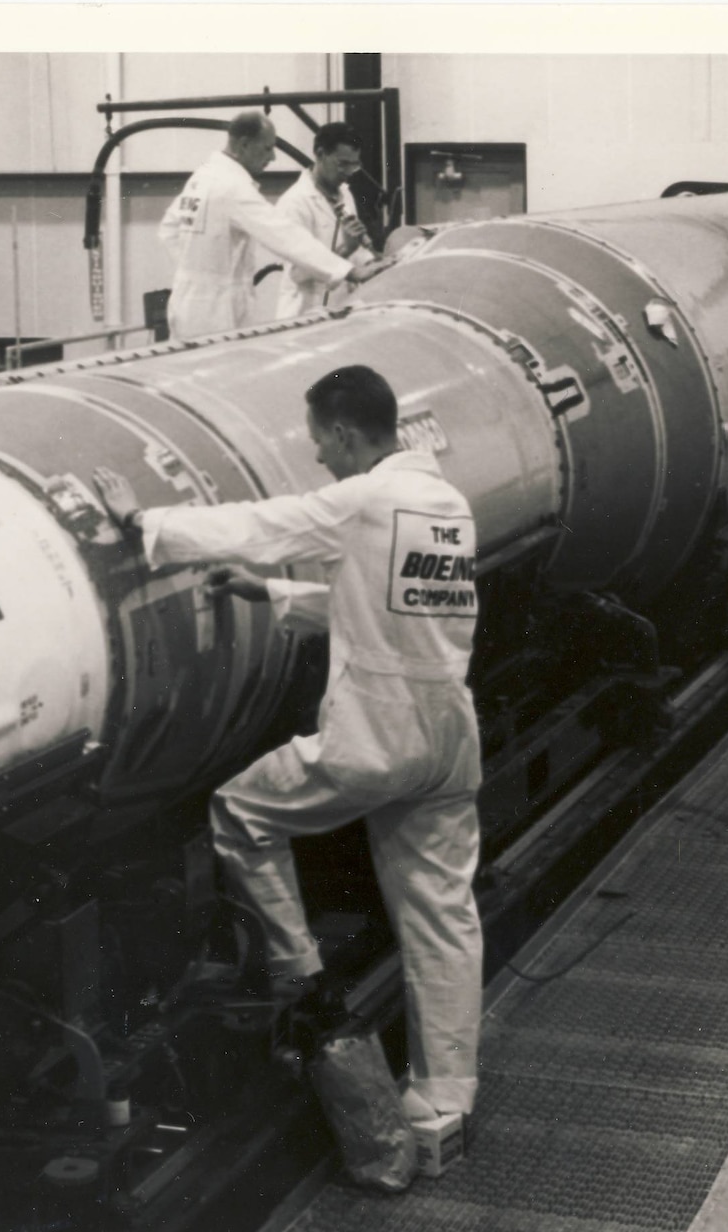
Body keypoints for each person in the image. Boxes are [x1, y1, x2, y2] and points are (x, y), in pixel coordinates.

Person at [92, 364, 482, 1127]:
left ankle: (299, 970)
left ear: (342, 432)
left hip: (375, 736)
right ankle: (445, 1101)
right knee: (442, 919)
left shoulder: (366, 497)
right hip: (449, 741)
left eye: (318, 442)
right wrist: (267, 596)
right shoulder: (445, 505)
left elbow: (268, 524)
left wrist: (147, 526)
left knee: (240, 814)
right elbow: (382, 609)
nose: (317, 458)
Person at [158, 111, 389, 340]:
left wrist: (197, 270)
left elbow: (169, 229)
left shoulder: (203, 177)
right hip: (215, 311)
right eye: (267, 148)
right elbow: (284, 234)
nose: (273, 158)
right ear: (245, 145)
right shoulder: (232, 187)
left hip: (189, 300)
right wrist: (349, 270)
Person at [272, 123, 377, 321]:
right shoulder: (294, 203)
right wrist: (346, 249)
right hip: (304, 311)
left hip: (339, 307)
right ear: (320, 154)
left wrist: (374, 261)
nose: (347, 172)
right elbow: (298, 270)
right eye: (342, 164)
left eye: (354, 165)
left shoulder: (344, 194)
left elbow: (357, 254)